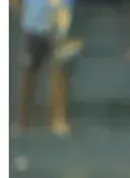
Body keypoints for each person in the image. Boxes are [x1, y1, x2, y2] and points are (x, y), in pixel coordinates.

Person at [11, 0, 81, 136]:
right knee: (29, 71)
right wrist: (21, 14)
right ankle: (23, 119)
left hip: (62, 21)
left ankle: (59, 118)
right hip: (33, 24)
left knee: (61, 70)